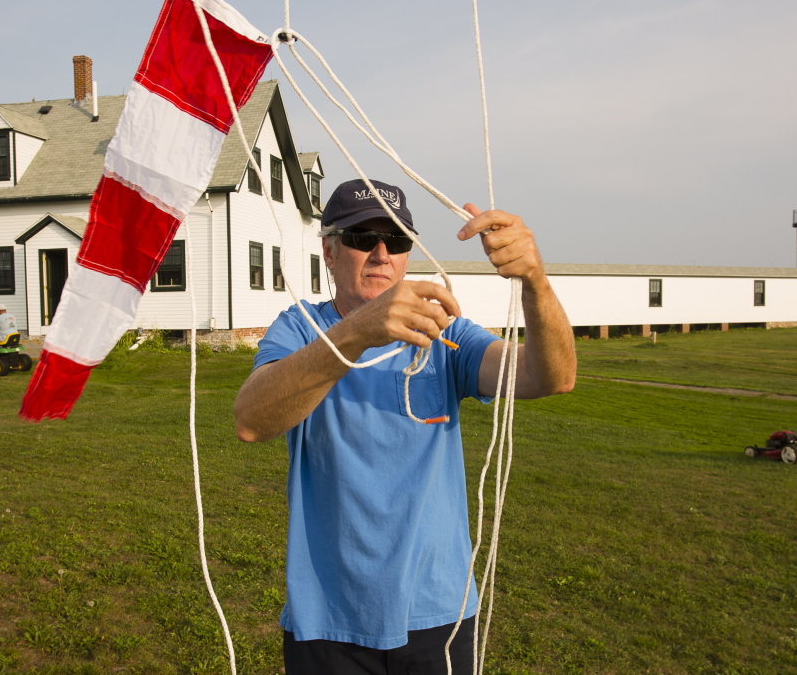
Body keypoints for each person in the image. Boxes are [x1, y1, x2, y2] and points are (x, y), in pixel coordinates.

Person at [233, 179, 577, 674]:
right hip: (329, 618)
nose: (380, 253)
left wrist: (535, 282)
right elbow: (251, 420)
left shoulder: (444, 334)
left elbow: (552, 376)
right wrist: (359, 331)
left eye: (395, 240)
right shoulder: (301, 328)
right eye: (360, 237)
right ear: (329, 252)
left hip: (437, 614)